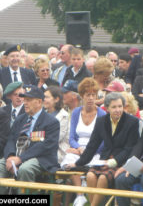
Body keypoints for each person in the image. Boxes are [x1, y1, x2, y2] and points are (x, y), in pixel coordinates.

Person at [68, 92, 139, 206]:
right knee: (90, 176)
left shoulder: (132, 122)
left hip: (122, 160)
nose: (118, 110)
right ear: (107, 108)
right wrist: (78, 163)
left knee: (102, 178)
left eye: (120, 106)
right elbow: (92, 145)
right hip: (104, 158)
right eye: (114, 107)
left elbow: (129, 148)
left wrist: (114, 161)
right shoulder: (101, 121)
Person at [0, 85, 60, 194]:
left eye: (29, 100)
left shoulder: (51, 122)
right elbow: (10, 139)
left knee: (25, 169)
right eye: (25, 100)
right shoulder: (20, 119)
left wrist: (21, 159)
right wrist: (11, 156)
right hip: (16, 155)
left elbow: (44, 146)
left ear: (39, 102)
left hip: (40, 158)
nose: (25, 102)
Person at [61, 78, 106, 206]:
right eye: (88, 95)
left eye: (93, 95)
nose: (91, 98)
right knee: (69, 160)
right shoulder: (76, 112)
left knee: (86, 162)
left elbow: (103, 141)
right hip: (78, 150)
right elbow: (72, 138)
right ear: (82, 96)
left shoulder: (102, 114)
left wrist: (88, 151)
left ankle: (84, 183)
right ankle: (80, 195)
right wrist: (79, 149)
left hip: (95, 151)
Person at [44, 86, 70, 163]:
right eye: (43, 97)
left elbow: (56, 138)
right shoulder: (42, 114)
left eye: (47, 97)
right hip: (43, 150)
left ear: (56, 99)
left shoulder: (64, 116)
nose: (44, 100)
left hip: (58, 152)